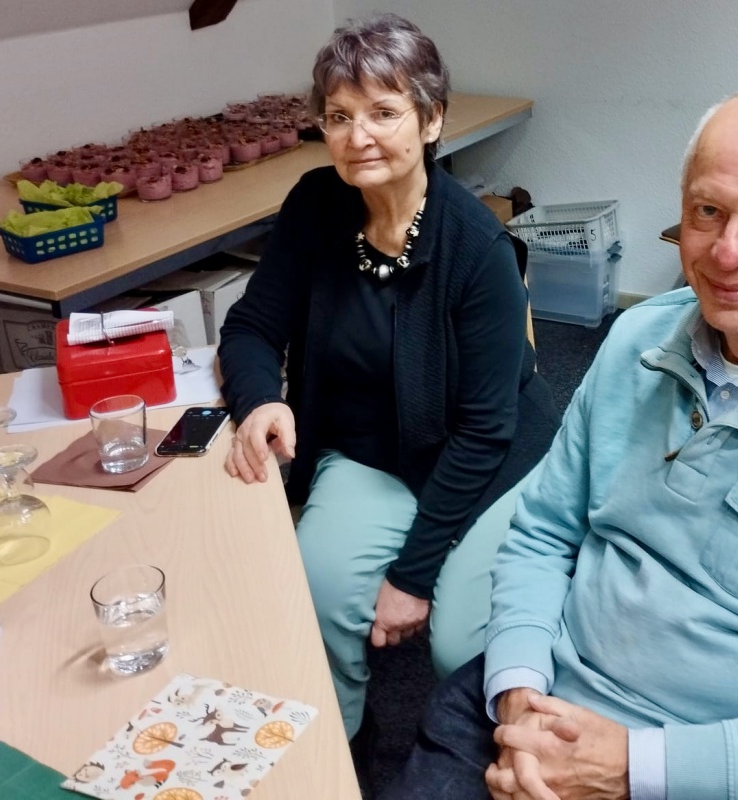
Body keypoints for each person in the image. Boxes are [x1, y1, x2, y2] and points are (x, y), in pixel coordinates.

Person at [381, 83, 738, 800]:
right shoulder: (634, 341)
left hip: (709, 770)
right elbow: (544, 532)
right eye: (707, 212)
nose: (728, 252)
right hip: (543, 697)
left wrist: (634, 768)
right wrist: (520, 692)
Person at [217, 12, 559, 752]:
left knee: (461, 641)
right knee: (317, 586)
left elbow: (485, 429)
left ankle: (477, 761)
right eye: (339, 117)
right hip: (373, 451)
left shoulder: (476, 248)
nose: (358, 136)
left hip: (487, 458)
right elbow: (250, 327)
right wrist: (261, 400)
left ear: (431, 120)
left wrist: (412, 576)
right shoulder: (316, 205)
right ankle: (341, 744)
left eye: (383, 112)